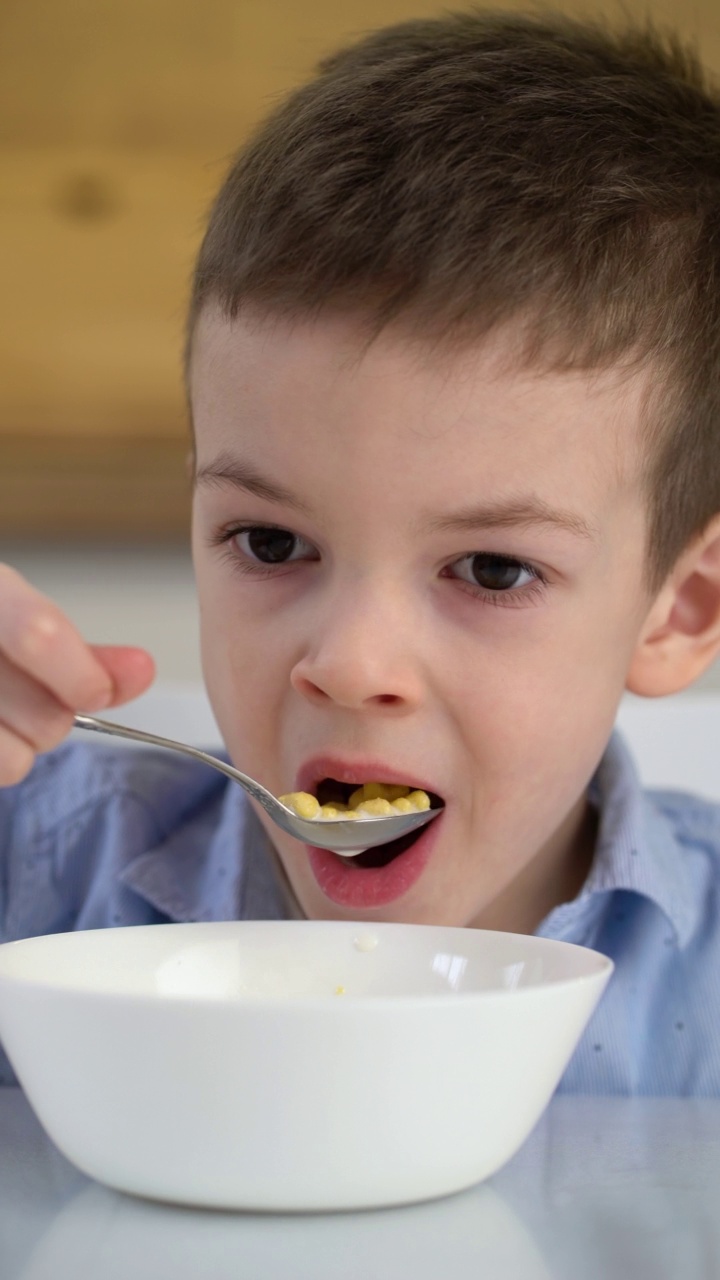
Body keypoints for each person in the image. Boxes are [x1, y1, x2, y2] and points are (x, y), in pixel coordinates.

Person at [1, 9, 720, 1093]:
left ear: (681, 610)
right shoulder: (36, 871)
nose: (349, 662)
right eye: (273, 540)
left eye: (491, 569)